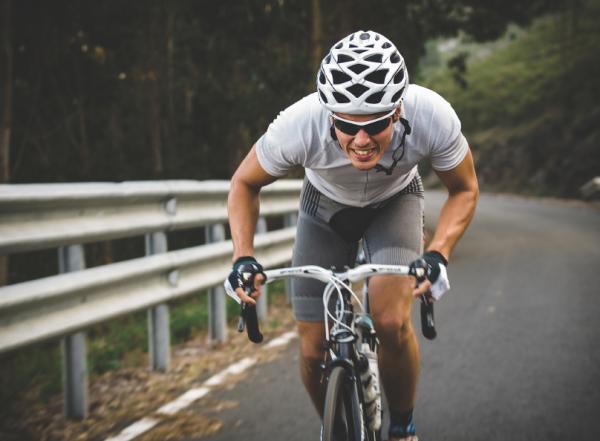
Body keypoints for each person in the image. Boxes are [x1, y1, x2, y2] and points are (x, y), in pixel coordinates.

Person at [226, 30, 479, 441]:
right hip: (323, 209)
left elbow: (464, 189)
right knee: (311, 349)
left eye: (375, 124)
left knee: (391, 319)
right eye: (346, 125)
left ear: (397, 111)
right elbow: (243, 184)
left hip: (395, 201)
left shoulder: (431, 115)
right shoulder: (298, 125)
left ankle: (402, 427)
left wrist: (438, 252)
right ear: (329, 114)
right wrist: (243, 256)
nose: (361, 140)